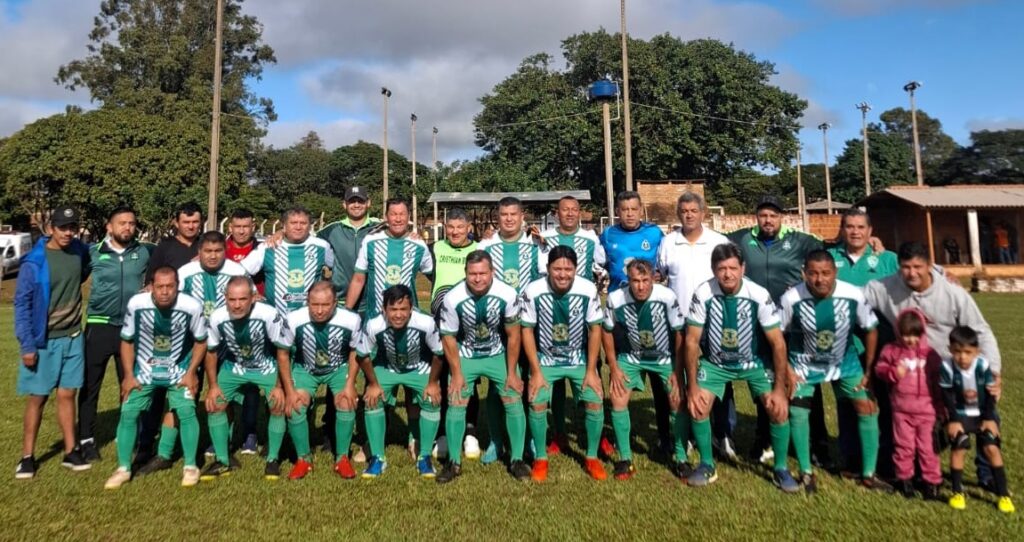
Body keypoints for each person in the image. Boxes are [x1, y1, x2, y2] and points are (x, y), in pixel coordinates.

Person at [864, 241, 1003, 487]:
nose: (912, 273)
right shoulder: (886, 287)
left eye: (918, 266)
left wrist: (993, 371)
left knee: (981, 415)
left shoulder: (951, 291)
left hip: (954, 367)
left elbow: (980, 329)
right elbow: (856, 294)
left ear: (930, 266)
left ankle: (988, 473)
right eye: (906, 267)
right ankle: (908, 468)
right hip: (914, 373)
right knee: (913, 420)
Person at [684, 243, 797, 492]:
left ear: (743, 268)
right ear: (713, 270)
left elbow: (777, 343)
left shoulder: (758, 294)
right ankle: (706, 464)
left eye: (733, 268)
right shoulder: (703, 293)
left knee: (777, 408)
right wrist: (691, 387)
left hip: (754, 363)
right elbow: (691, 341)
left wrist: (779, 389)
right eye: (721, 268)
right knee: (698, 407)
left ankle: (780, 468)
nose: (728, 274)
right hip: (716, 364)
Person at [778, 250, 891, 494]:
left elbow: (871, 329)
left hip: (845, 362)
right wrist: (786, 370)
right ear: (804, 274)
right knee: (798, 412)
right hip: (804, 364)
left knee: (867, 407)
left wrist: (869, 369)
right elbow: (777, 335)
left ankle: (869, 474)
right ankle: (806, 472)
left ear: (835, 273)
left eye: (826, 273)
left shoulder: (853, 294)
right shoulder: (791, 298)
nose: (820, 279)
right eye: (813, 274)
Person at [726, 195, 825, 466]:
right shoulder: (743, 239)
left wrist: (872, 244)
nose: (768, 220)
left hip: (795, 326)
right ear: (756, 216)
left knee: (803, 381)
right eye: (763, 215)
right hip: (758, 325)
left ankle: (817, 443)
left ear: (782, 217)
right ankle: (764, 438)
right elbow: (711, 241)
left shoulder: (801, 240)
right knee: (763, 380)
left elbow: (831, 251)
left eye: (773, 215)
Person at [103, 266, 208, 489]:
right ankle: (123, 468)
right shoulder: (136, 304)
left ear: (178, 286)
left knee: (187, 411)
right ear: (151, 286)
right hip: (145, 370)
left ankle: (190, 466)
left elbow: (201, 340)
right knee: (128, 411)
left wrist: (191, 373)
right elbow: (127, 340)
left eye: (170, 286)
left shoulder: (192, 306)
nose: (164, 291)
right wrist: (129, 375)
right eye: (159, 286)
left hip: (179, 370)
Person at [436, 251, 528, 483]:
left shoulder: (507, 293)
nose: (477, 279)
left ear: (492, 273)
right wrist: (456, 374)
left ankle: (516, 459)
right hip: (466, 355)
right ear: (465, 273)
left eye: (483, 274)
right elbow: (448, 339)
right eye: (472, 274)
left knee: (512, 396)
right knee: (456, 399)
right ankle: (453, 463)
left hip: (497, 353)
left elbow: (513, 336)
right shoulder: (453, 297)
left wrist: (511, 372)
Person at [14, 207, 92, 479]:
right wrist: (27, 345)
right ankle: (27, 457)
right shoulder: (34, 261)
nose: (68, 233)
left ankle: (71, 451)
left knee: (67, 394)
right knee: (38, 398)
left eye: (72, 227)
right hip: (43, 341)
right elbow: (22, 304)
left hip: (72, 337)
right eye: (62, 228)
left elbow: (85, 271)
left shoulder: (80, 252)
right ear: (50, 228)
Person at [522, 246, 607, 482]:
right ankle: (540, 458)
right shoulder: (534, 289)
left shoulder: (588, 289)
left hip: (578, 359)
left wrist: (591, 371)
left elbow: (595, 329)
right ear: (548, 269)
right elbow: (527, 331)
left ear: (576, 269)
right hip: (546, 360)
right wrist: (536, 372)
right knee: (537, 402)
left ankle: (591, 457)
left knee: (594, 400)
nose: (562, 274)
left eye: (568, 269)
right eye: (557, 268)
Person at [201, 276, 296, 481]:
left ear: (253, 297)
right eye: (232, 300)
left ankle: (273, 459)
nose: (237, 305)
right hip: (234, 367)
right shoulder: (217, 317)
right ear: (225, 298)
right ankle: (223, 460)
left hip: (266, 366)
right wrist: (213, 386)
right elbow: (210, 353)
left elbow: (282, 350)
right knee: (215, 403)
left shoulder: (268, 314)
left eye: (242, 299)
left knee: (277, 404)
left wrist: (280, 386)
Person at [77, 206, 152, 463]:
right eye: (122, 223)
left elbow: (171, 260)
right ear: (109, 227)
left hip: (130, 329)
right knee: (90, 385)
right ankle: (86, 439)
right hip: (99, 326)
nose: (127, 228)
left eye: (131, 223)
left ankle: (128, 433)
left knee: (130, 384)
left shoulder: (144, 252)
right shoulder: (92, 253)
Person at [827, 207, 898, 475]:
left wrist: (943, 274)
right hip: (843, 346)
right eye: (849, 227)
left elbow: (918, 273)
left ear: (870, 232)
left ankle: (888, 459)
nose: (855, 232)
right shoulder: (830, 258)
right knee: (847, 403)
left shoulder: (887, 259)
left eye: (860, 227)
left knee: (886, 404)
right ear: (842, 230)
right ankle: (852, 459)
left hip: (882, 345)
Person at [602, 259, 689, 480]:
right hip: (631, 357)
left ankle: (681, 458)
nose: (640, 286)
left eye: (645, 280)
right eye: (635, 281)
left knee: (677, 400)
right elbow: (606, 331)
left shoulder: (667, 297)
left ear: (654, 279)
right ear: (627, 280)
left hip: (664, 358)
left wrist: (678, 371)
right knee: (617, 396)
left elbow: (679, 333)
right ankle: (625, 459)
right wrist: (613, 367)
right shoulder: (615, 298)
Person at [600, 190, 668, 459]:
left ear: (641, 210)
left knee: (659, 379)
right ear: (617, 211)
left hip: (652, 312)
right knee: (619, 376)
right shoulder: (607, 236)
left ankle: (665, 436)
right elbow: (599, 265)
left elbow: (663, 269)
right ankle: (620, 439)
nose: (629, 213)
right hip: (621, 314)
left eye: (633, 209)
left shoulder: (655, 235)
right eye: (624, 209)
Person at [478, 196, 544, 463]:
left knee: (528, 381)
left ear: (521, 216)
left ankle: (528, 439)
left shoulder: (536, 247)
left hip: (528, 326)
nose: (508, 219)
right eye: (503, 214)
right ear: (498, 216)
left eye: (513, 214)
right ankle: (496, 441)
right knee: (497, 386)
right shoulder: (486, 247)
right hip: (496, 328)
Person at [539, 195, 607, 456]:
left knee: (593, 368)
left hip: (582, 311)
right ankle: (558, 432)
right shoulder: (544, 237)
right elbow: (539, 269)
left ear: (580, 212)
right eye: (564, 210)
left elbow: (599, 265)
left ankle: (596, 434)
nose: (569, 213)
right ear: (557, 213)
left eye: (574, 210)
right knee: (555, 374)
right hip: (552, 312)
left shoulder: (591, 238)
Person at [137, 201, 203, 466]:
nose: (191, 226)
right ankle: (145, 444)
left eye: (196, 222)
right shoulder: (164, 247)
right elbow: (151, 283)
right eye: (186, 222)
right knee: (155, 390)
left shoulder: (206, 246)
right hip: (164, 329)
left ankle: (178, 446)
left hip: (194, 328)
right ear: (176, 222)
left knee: (187, 391)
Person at [355, 285, 444, 479]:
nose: (398, 315)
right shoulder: (373, 325)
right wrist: (373, 384)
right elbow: (362, 356)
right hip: (387, 367)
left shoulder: (426, 323)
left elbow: (438, 354)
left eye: (403, 309)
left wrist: (432, 383)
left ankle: (425, 457)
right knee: (372, 399)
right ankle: (378, 458)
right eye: (393, 309)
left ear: (411, 308)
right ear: (384, 309)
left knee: (432, 399)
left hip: (418, 367)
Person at [285, 281, 362, 480]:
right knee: (296, 405)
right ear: (307, 302)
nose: (319, 311)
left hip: (337, 369)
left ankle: (342, 458)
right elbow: (283, 354)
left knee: (346, 401)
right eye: (314, 305)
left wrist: (350, 384)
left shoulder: (351, 320)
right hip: (306, 369)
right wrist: (289, 390)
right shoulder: (293, 319)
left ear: (335, 303)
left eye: (325, 305)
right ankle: (304, 459)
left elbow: (355, 351)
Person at [941, 326, 1014, 513]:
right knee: (959, 447)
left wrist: (989, 417)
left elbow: (990, 393)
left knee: (991, 448)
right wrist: (953, 419)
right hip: (961, 414)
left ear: (977, 352)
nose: (962, 357)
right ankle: (957, 491)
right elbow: (947, 395)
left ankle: (1003, 494)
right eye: (957, 351)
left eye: (967, 352)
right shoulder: (947, 366)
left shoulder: (982, 365)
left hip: (982, 414)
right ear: (950, 350)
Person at [428, 208, 481, 460]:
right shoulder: (435, 248)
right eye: (451, 227)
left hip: (470, 320)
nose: (455, 232)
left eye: (460, 227)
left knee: (468, 377)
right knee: (442, 376)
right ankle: (442, 434)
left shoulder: (479, 249)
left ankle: (470, 432)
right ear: (445, 227)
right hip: (440, 320)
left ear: (468, 227)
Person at [874, 309, 942, 499]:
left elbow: (938, 383)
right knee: (903, 447)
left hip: (927, 412)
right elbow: (880, 370)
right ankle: (905, 480)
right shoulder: (892, 350)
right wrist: (893, 373)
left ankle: (932, 483)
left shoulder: (930, 355)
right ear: (898, 332)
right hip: (901, 411)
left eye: (914, 335)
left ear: (921, 333)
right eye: (905, 335)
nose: (910, 340)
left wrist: (940, 408)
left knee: (928, 449)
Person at [345, 198, 432, 320]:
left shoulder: (419, 245)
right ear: (386, 217)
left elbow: (434, 277)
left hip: (409, 321)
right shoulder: (370, 241)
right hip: (375, 319)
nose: (398, 219)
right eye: (393, 214)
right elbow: (358, 279)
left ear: (409, 216)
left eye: (402, 214)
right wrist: (347, 312)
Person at [242, 206, 334, 315]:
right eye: (293, 223)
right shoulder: (268, 246)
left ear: (309, 226)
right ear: (284, 225)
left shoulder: (322, 246)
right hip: (276, 317)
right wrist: (252, 291)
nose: (298, 227)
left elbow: (339, 269)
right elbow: (241, 270)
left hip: (310, 318)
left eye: (303, 223)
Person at [318, 186, 382, 304]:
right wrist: (282, 233)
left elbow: (402, 234)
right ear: (344, 204)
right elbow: (302, 239)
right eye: (352, 201)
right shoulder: (332, 230)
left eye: (361, 201)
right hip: (341, 300)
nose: (356, 205)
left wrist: (415, 235)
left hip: (374, 301)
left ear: (368, 203)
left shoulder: (380, 227)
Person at [178, 231, 248, 318]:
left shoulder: (238, 272)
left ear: (225, 250)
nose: (213, 256)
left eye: (218, 251)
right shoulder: (184, 272)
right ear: (199, 251)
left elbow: (254, 299)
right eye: (208, 251)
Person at [225, 208, 265, 295]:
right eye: (237, 227)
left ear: (253, 227)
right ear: (230, 227)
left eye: (245, 227)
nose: (241, 231)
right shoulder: (219, 250)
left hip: (257, 303)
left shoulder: (263, 250)